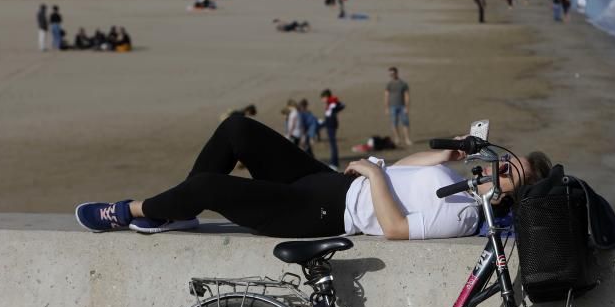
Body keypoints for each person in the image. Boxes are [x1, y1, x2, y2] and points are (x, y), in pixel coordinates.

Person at [74, 114, 552, 239]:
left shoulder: (466, 217)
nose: (502, 166)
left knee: (208, 188)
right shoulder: (457, 178)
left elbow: (396, 229)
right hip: (326, 181)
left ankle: (135, 211)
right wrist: (446, 153)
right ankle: (179, 213)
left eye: (512, 173)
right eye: (506, 159)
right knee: (237, 130)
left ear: (512, 194)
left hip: (322, 213)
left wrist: (372, 173)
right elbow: (405, 169)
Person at [384, 66, 411, 147]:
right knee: (394, 123)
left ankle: (407, 139)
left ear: (396, 73)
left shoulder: (403, 83)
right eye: (390, 74)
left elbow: (406, 95)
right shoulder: (389, 84)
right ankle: (397, 138)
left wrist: (407, 107)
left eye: (393, 73)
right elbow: (386, 96)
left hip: (402, 106)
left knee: (405, 123)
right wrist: (386, 107)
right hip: (393, 106)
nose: (392, 75)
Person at [321, 88, 344, 169]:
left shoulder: (332, 102)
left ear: (326, 96)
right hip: (330, 124)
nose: (322, 100)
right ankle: (334, 163)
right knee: (332, 144)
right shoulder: (330, 103)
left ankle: (334, 163)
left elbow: (341, 105)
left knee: (333, 144)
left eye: (323, 98)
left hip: (331, 125)